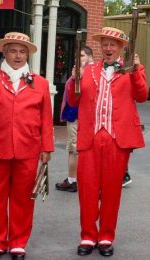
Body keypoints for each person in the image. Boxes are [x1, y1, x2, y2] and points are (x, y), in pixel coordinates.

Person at [0, 32, 54, 260]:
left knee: (24, 198)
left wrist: (46, 148)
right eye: (13, 50)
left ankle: (18, 242)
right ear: (4, 52)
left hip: (28, 149)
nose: (18, 55)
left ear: (28, 54)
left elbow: (46, 118)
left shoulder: (41, 83)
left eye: (22, 51)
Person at [67, 27, 148, 257]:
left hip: (117, 138)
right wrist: (75, 78)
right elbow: (73, 100)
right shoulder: (89, 70)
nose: (108, 48)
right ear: (100, 47)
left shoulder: (129, 69)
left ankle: (105, 237)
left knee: (112, 192)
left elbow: (142, 95)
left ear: (121, 48)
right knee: (88, 190)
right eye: (105, 44)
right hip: (90, 137)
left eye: (113, 44)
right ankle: (87, 236)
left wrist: (137, 70)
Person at [55, 46, 93, 192]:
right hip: (75, 115)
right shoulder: (77, 71)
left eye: (82, 56)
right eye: (77, 56)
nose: (79, 59)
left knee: (75, 149)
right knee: (75, 149)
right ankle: (76, 179)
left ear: (90, 57)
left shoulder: (91, 73)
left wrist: (76, 78)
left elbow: (78, 95)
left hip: (79, 116)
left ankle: (73, 181)